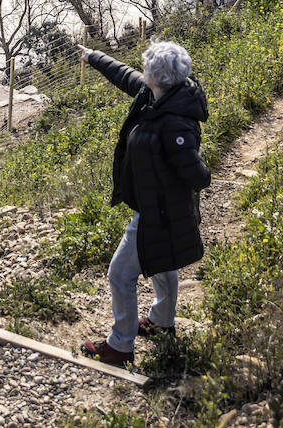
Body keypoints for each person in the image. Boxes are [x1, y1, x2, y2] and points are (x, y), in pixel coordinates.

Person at [78, 40, 211, 366]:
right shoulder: (158, 96)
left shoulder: (173, 121)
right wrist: (93, 57)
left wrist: (179, 166)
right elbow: (125, 76)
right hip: (158, 209)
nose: (143, 72)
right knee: (162, 264)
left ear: (156, 76)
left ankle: (120, 346)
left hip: (157, 213)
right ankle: (162, 322)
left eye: (147, 68)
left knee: (120, 274)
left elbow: (199, 176)